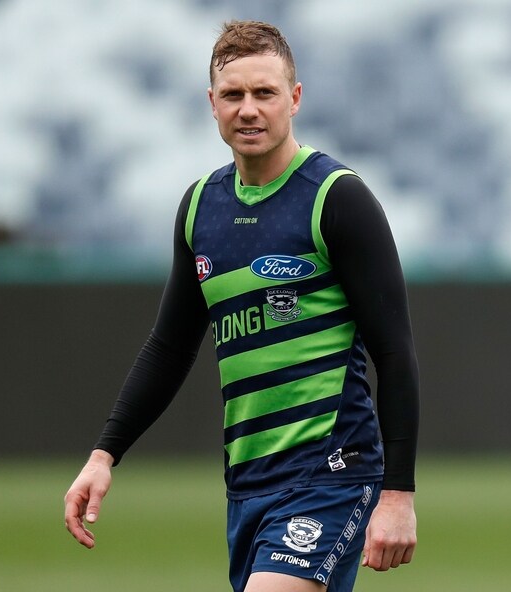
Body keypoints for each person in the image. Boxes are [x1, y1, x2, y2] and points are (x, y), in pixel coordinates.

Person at [64, 20, 419, 592]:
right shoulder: (200, 208)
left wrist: (398, 493)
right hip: (247, 485)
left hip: (330, 474)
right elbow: (169, 348)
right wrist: (104, 455)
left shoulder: (336, 198)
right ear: (212, 103)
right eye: (233, 94)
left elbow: (395, 353)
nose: (248, 109)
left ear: (294, 98)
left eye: (264, 93)